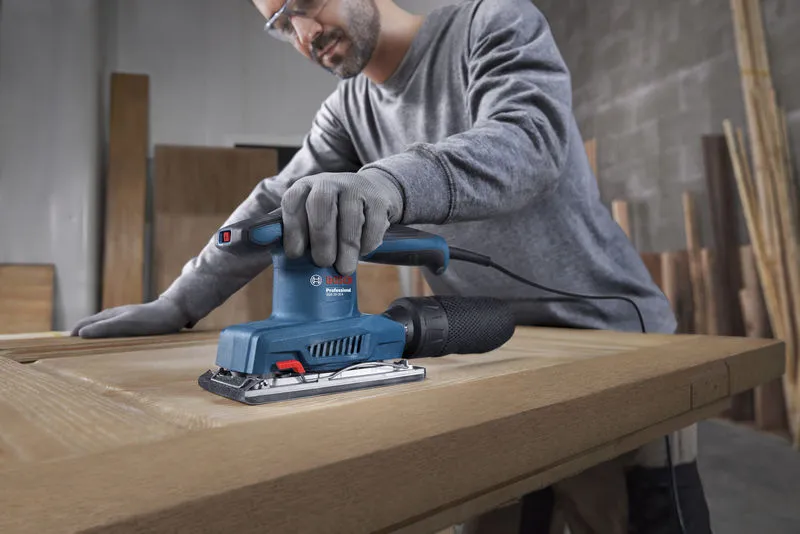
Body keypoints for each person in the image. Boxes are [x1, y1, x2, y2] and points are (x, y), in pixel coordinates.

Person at [72, 0, 712, 532]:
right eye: (280, 25)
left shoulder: (491, 23)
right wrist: (179, 303)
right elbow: (275, 202)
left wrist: (387, 184)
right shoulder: (348, 110)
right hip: (490, 347)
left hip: (613, 343)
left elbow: (529, 140)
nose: (303, 34)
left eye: (306, 4)